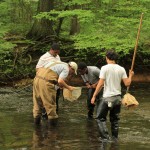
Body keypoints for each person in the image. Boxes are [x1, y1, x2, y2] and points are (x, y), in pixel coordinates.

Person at [91, 50, 134, 142]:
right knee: (115, 120)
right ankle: (115, 138)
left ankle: (105, 138)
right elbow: (127, 83)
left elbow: (100, 84)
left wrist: (94, 96)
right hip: (118, 99)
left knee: (100, 118)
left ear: (107, 57)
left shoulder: (104, 68)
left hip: (107, 98)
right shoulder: (121, 68)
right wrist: (130, 75)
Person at [33, 61, 78, 125]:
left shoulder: (58, 63)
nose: (71, 74)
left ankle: (36, 129)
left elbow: (51, 76)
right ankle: (52, 132)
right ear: (72, 68)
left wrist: (59, 85)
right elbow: (60, 81)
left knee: (37, 104)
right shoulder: (66, 69)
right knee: (51, 106)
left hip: (36, 79)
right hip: (46, 83)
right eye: (72, 72)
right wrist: (68, 87)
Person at [36, 43, 61, 119]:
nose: (56, 54)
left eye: (58, 52)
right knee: (46, 99)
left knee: (55, 98)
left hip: (56, 82)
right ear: (51, 50)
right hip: (46, 82)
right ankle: (45, 116)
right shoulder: (44, 57)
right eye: (55, 52)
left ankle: (54, 115)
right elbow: (37, 69)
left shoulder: (57, 57)